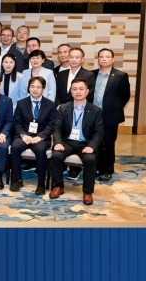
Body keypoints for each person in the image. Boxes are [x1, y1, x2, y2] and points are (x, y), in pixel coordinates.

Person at [50, 78, 104, 206]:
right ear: (71, 91)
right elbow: (57, 128)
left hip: (85, 143)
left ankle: (87, 192)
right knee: (56, 156)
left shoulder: (95, 110)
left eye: (81, 89)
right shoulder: (63, 108)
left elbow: (99, 132)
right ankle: (58, 187)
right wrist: (58, 142)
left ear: (87, 91)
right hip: (67, 142)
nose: (78, 92)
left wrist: (91, 146)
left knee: (90, 159)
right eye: (74, 89)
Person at [10, 76, 57, 195]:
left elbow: (51, 125)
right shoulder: (21, 103)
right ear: (29, 88)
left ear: (43, 89)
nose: (35, 89)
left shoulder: (50, 105)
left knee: (40, 150)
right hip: (24, 135)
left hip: (41, 137)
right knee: (15, 147)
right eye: (32, 86)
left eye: (38, 87)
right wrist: (23, 135)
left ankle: (41, 183)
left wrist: (40, 137)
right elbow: (17, 122)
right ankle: (17, 179)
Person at [92, 48, 131, 181]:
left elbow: (125, 95)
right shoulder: (92, 74)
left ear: (113, 59)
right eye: (101, 56)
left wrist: (114, 108)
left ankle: (107, 169)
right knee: (95, 142)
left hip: (110, 115)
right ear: (98, 59)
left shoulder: (120, 75)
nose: (104, 59)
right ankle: (96, 167)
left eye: (107, 56)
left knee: (108, 143)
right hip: (93, 115)